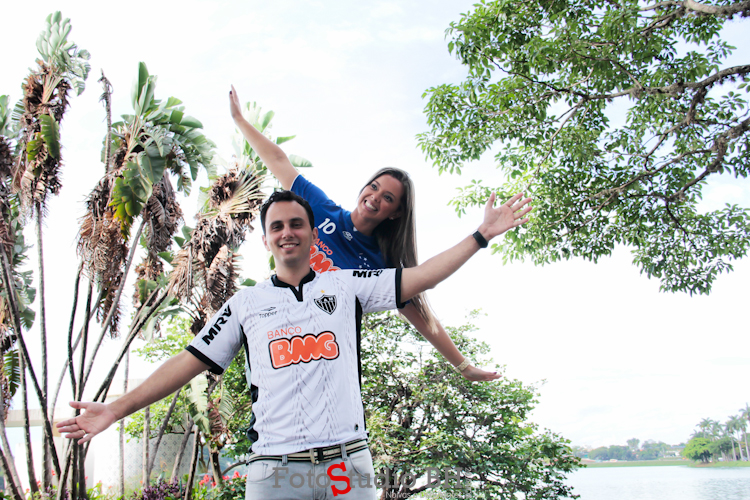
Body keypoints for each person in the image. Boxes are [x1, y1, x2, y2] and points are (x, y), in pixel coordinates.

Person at [57, 189, 531, 500]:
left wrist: (481, 235)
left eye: (297, 224)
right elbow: (190, 360)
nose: (288, 232)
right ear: (267, 240)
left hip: (348, 466)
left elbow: (421, 277)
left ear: (311, 233)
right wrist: (116, 409)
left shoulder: (346, 286)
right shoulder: (245, 304)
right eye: (277, 226)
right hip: (275, 471)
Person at [229, 86, 499, 381]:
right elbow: (280, 162)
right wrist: (240, 120)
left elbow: (422, 315)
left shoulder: (381, 265)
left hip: (326, 358)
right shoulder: (321, 208)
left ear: (395, 213)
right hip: (277, 341)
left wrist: (464, 367)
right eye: (374, 187)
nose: (375, 197)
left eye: (388, 198)